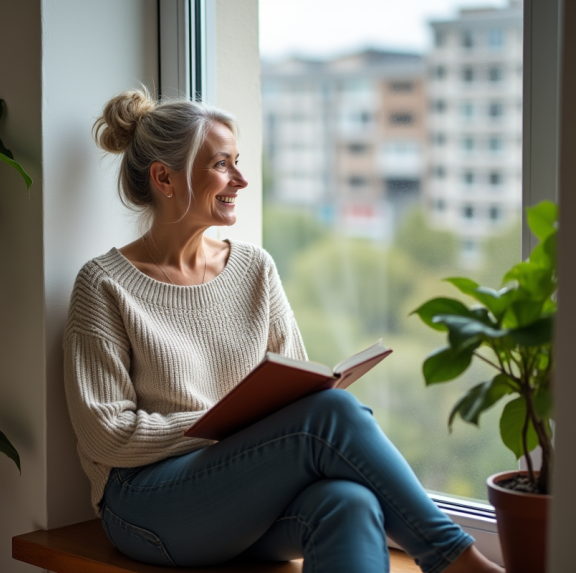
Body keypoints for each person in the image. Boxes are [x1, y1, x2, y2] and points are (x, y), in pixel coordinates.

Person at [63, 88, 503, 573]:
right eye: (222, 165)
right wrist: (227, 424)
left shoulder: (255, 268)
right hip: (145, 506)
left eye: (237, 162)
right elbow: (108, 436)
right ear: (164, 177)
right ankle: (457, 560)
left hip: (239, 499)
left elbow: (297, 392)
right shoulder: (104, 284)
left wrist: (257, 423)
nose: (241, 179)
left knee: (349, 502)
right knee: (333, 413)